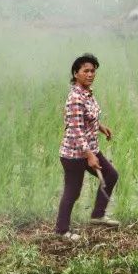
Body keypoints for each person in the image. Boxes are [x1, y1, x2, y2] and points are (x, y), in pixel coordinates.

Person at [55, 53, 120, 240]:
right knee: (73, 191)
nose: (90, 74)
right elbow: (76, 129)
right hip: (75, 154)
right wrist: (89, 156)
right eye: (86, 71)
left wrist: (101, 127)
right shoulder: (75, 97)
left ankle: (98, 215)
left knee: (111, 175)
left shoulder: (87, 93)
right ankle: (61, 230)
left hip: (89, 148)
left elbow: (87, 118)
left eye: (93, 71)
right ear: (76, 73)